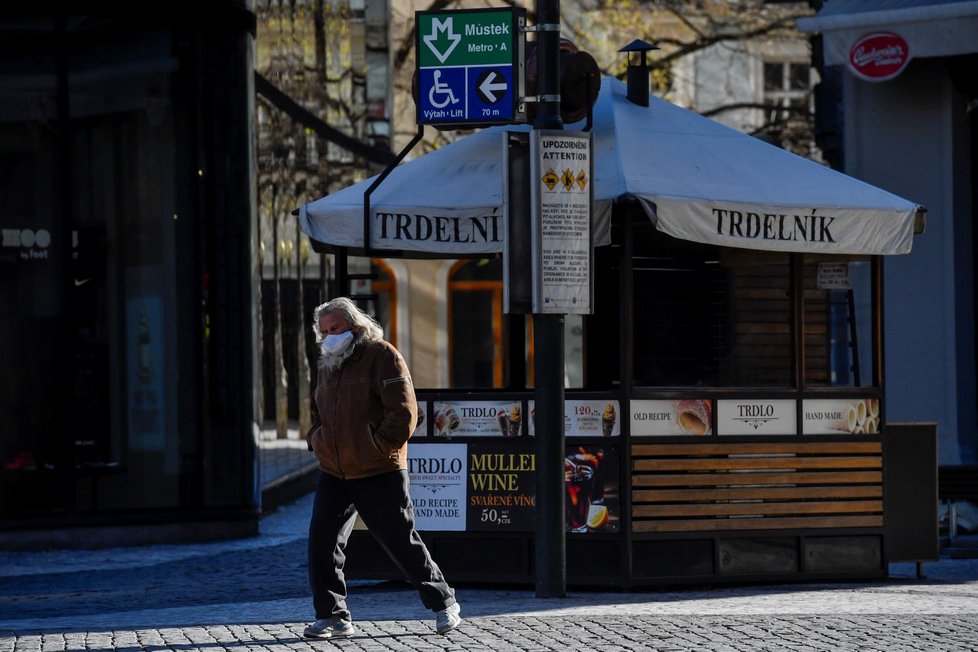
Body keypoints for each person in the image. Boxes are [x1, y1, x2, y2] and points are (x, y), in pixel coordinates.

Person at [303, 297, 461, 639]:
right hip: (334, 469)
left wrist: (376, 447)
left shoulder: (382, 355)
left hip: (378, 468)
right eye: (324, 331)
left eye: (336, 328)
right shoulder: (327, 363)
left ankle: (444, 602)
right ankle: (332, 615)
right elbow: (317, 410)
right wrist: (316, 438)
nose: (330, 336)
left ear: (355, 327)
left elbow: (404, 413)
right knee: (322, 543)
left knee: (399, 539)